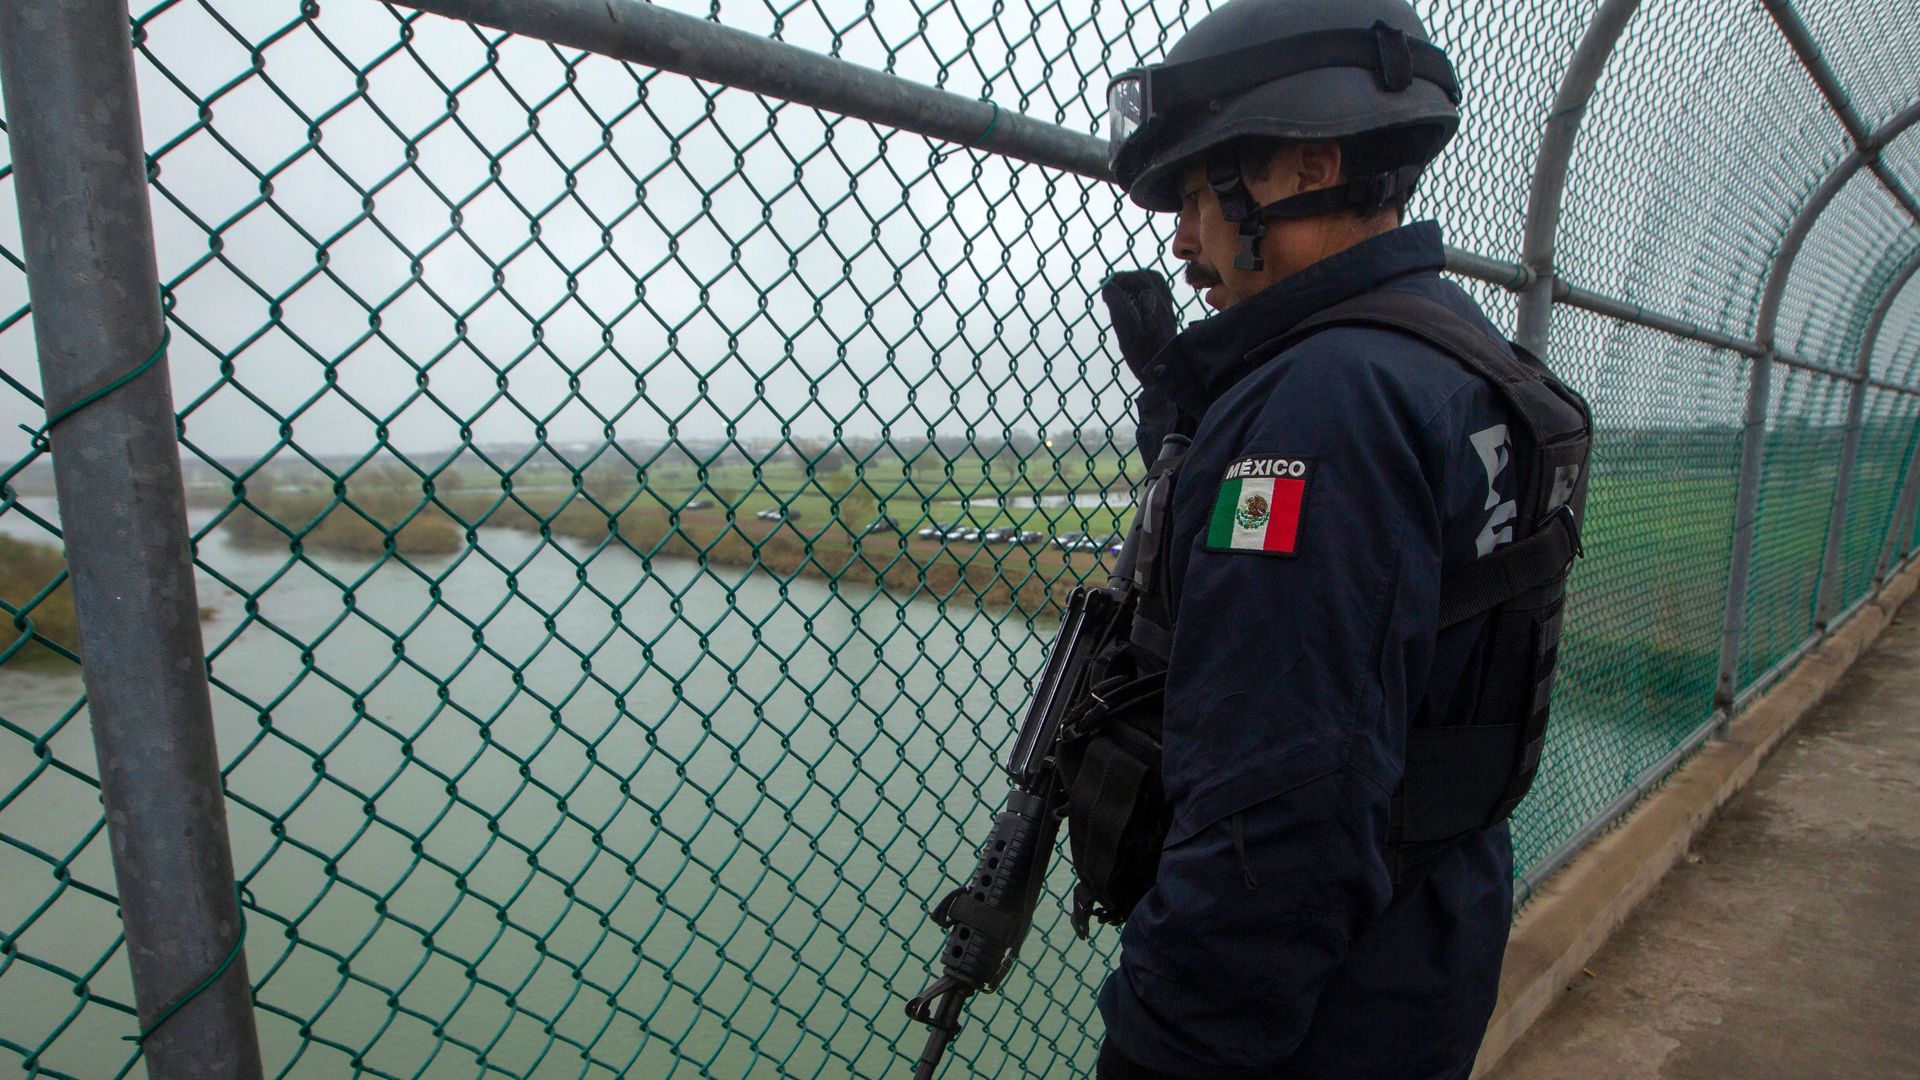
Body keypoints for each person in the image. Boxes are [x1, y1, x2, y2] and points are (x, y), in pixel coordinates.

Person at [1085, 0, 1572, 1076]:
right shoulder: (1455, 351)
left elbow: (1283, 812)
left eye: (1199, 191)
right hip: (1428, 937)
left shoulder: (1323, 405)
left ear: (1305, 168)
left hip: (1309, 1015)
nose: (1181, 237)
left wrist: (1166, 1045)